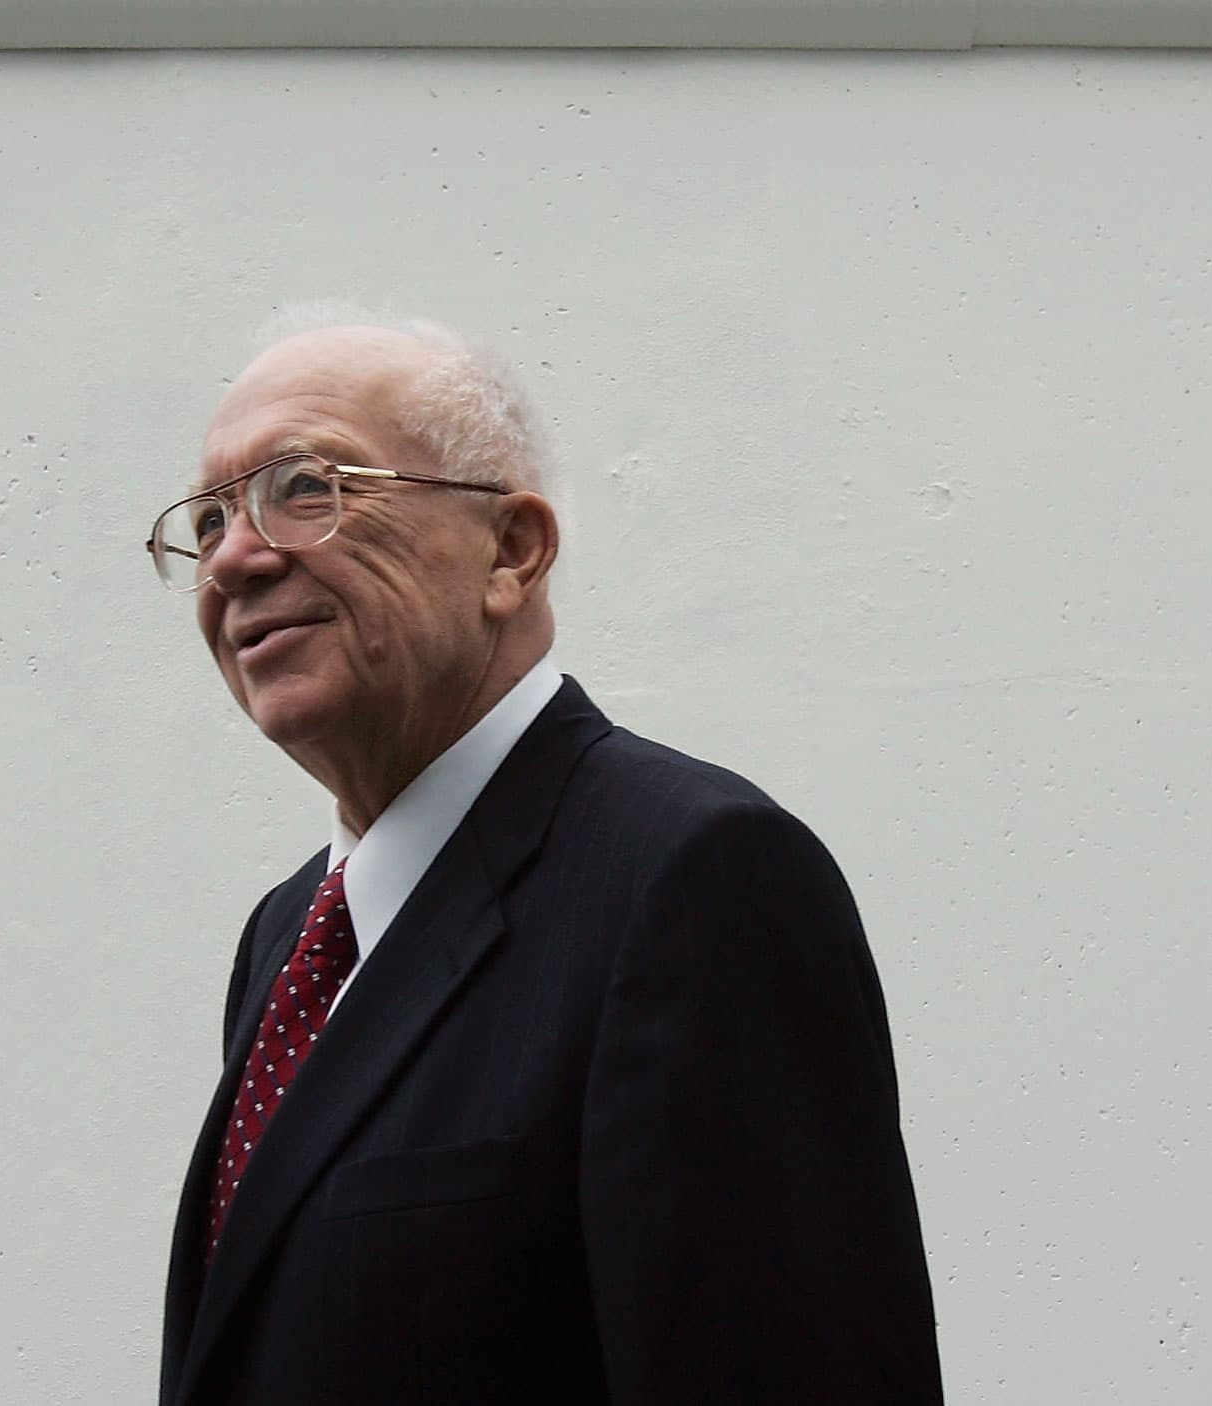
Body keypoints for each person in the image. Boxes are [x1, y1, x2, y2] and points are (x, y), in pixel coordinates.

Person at [149, 310, 943, 1405]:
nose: (234, 555)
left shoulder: (693, 878)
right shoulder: (287, 937)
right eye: (207, 515)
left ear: (511, 551)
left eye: (305, 486)